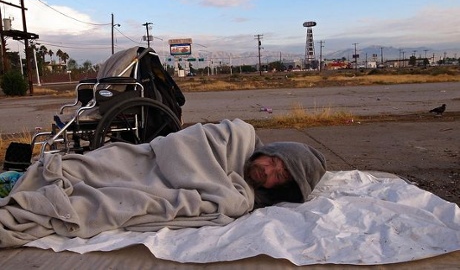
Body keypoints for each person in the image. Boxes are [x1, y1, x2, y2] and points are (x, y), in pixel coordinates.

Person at [0, 119, 326, 248]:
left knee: (120, 199)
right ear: (273, 151)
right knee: (89, 168)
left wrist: (229, 194)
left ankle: (29, 192)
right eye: (274, 163)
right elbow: (177, 146)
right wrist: (215, 182)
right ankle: (26, 182)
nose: (268, 172)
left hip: (152, 184)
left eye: (278, 177)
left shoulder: (245, 194)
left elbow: (207, 199)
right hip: (145, 160)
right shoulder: (236, 135)